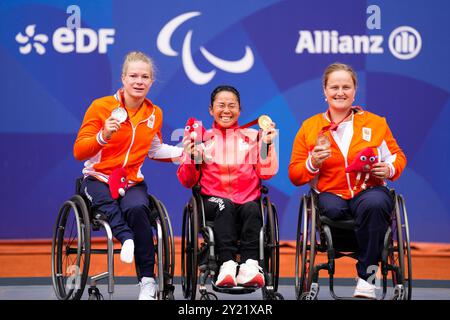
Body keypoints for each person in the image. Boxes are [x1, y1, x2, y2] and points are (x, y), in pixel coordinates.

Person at [288, 63, 407, 299]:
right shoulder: (310, 128)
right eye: (334, 87)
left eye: (346, 87)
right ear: (324, 91)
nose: (340, 92)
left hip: (369, 190)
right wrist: (312, 163)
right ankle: (364, 245)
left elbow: (397, 157)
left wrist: (389, 168)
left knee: (374, 204)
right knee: (331, 207)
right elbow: (295, 174)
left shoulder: (375, 123)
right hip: (332, 194)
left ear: (354, 91)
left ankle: (367, 277)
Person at [73, 51, 182, 300]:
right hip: (98, 176)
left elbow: (154, 150)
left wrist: (185, 153)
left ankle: (147, 281)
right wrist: (103, 136)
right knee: (106, 201)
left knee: (138, 208)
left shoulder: (154, 114)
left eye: (145, 77)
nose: (139, 81)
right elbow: (80, 151)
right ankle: (126, 237)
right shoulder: (101, 107)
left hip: (130, 180)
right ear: (123, 78)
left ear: (152, 81)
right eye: (133, 75)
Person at [177, 85, 278, 288]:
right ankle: (227, 264)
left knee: (253, 207)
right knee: (225, 205)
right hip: (211, 201)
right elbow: (187, 181)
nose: (226, 110)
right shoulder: (202, 139)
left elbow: (266, 172)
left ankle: (250, 265)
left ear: (239, 110)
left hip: (246, 199)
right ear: (211, 110)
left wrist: (266, 144)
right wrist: (190, 156)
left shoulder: (252, 136)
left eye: (232, 105)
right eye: (221, 105)